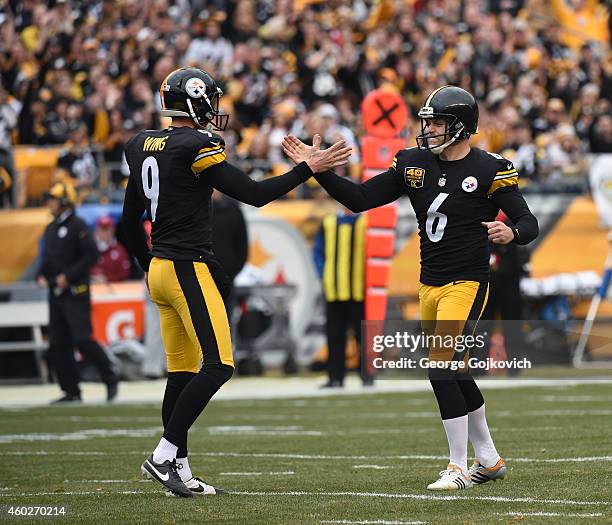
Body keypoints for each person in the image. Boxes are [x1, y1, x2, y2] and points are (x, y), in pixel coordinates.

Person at [283, 85, 539, 491]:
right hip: (430, 282)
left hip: (468, 281)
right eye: (428, 122)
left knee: (440, 366)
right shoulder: (413, 163)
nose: (429, 129)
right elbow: (361, 198)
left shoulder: (490, 168)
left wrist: (511, 231)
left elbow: (529, 221)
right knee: (452, 368)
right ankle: (488, 459)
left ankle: (458, 466)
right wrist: (318, 171)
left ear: (460, 126)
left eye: (437, 122)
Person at [121, 67, 351, 498]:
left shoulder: (141, 143)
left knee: (182, 372)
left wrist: (148, 264)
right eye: (209, 98)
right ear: (195, 101)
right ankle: (165, 453)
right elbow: (255, 194)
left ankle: (180, 471)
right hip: (188, 266)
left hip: (161, 270)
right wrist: (307, 168)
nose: (214, 107)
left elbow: (127, 223)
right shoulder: (198, 144)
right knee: (219, 364)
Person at [37, 182, 119, 403]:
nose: (49, 203)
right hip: (56, 293)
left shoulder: (78, 225)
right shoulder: (51, 227)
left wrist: (69, 277)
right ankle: (71, 390)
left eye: (53, 199)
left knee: (82, 339)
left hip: (76, 292)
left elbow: (90, 255)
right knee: (57, 344)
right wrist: (42, 275)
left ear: (64, 202)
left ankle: (110, 378)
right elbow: (47, 258)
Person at [312, 206, 371, 387]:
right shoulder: (328, 222)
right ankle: (335, 377)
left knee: (363, 336)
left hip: (358, 290)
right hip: (334, 290)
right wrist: (324, 274)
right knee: (334, 336)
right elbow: (318, 252)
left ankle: (367, 376)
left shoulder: (366, 223)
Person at [90, 215, 131, 283]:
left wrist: (107, 279)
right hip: (93, 287)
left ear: (113, 231)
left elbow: (125, 273)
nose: (105, 233)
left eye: (107, 229)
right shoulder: (91, 249)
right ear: (97, 231)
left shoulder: (119, 250)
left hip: (116, 289)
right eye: (103, 229)